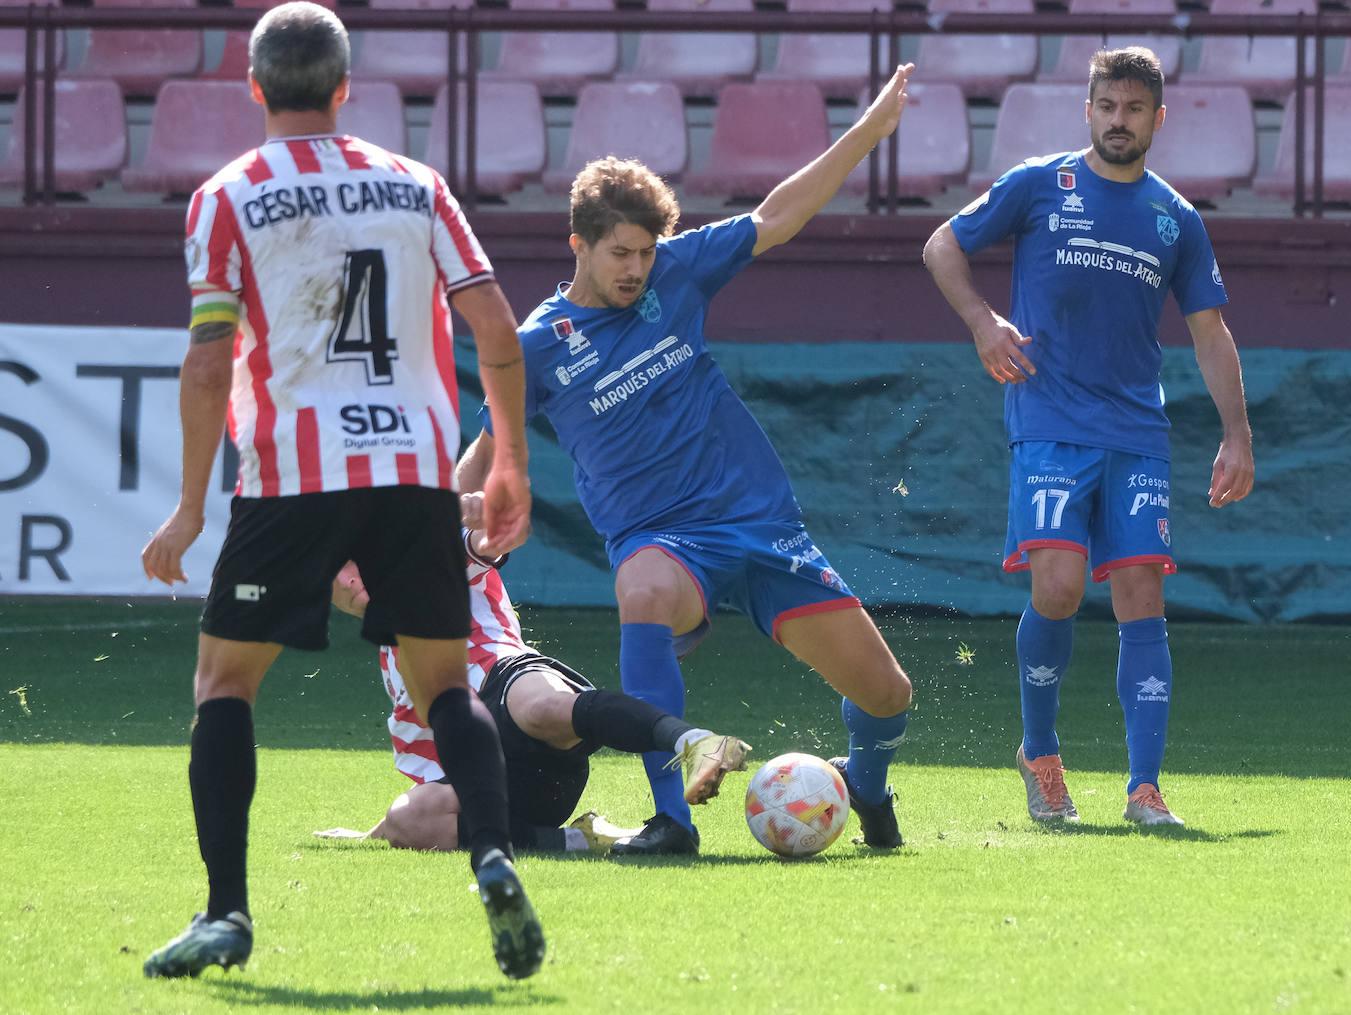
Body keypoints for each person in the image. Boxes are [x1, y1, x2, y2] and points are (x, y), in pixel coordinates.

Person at [139, 2, 544, 982]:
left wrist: (193, 505)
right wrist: (509, 462)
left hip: (291, 474)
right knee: (448, 684)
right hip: (411, 469)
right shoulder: (415, 186)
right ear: (345, 87)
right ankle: (492, 853)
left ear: (254, 88)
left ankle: (227, 912)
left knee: (224, 686)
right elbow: (495, 327)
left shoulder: (228, 196)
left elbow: (206, 362)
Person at [459, 67, 919, 856]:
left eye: (646, 251)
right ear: (578, 244)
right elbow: (485, 453)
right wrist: (432, 518)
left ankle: (867, 786)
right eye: (620, 253)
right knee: (637, 589)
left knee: (888, 693)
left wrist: (869, 134)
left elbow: (778, 215)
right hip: (663, 543)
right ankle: (673, 817)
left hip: (759, 523)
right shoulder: (538, 345)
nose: (636, 268)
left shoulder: (676, 273)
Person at [922, 47, 1254, 827]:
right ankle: (1040, 755)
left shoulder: (1176, 217)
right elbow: (942, 244)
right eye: (1107, 106)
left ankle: (1145, 788)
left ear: (1156, 120)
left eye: (1134, 109)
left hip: (1137, 430)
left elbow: (1210, 332)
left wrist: (1237, 434)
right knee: (1059, 588)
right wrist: (982, 322)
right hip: (1048, 420)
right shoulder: (1040, 184)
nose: (1118, 120)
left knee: (1142, 593)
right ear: (1089, 110)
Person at [318, 511, 752, 854]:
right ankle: (583, 840)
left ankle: (695, 742)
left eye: (350, 560)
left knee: (538, 706)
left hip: (513, 685)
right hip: (517, 789)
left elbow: (479, 544)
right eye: (330, 577)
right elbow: (434, 771)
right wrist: (379, 833)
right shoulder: (395, 666)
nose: (346, 580)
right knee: (410, 817)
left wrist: (492, 531)